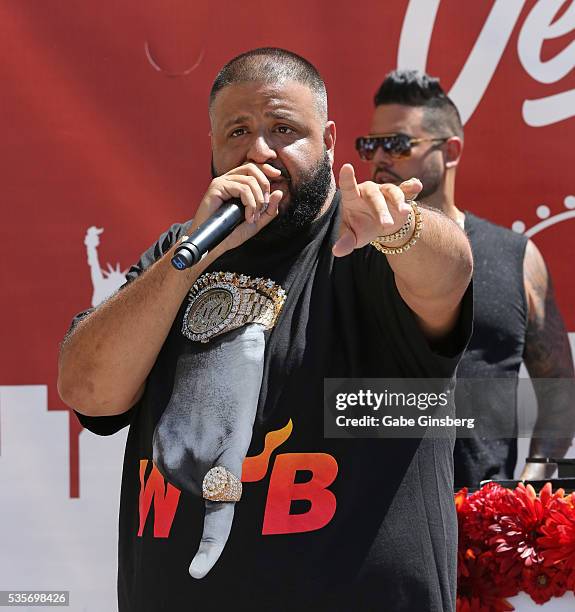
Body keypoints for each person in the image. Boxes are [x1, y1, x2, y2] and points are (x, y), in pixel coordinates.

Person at [58, 49, 472, 611]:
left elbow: (450, 272)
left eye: (283, 129)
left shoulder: (368, 241)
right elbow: (89, 391)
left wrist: (400, 229)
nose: (259, 151)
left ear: (327, 139)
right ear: (212, 147)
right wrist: (189, 259)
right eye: (238, 131)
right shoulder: (180, 254)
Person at [357, 69, 575, 488]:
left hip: (482, 534)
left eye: (398, 144)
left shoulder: (516, 257)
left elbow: (558, 389)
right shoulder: (349, 250)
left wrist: (532, 481)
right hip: (368, 534)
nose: (380, 158)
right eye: (371, 144)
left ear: (450, 150)